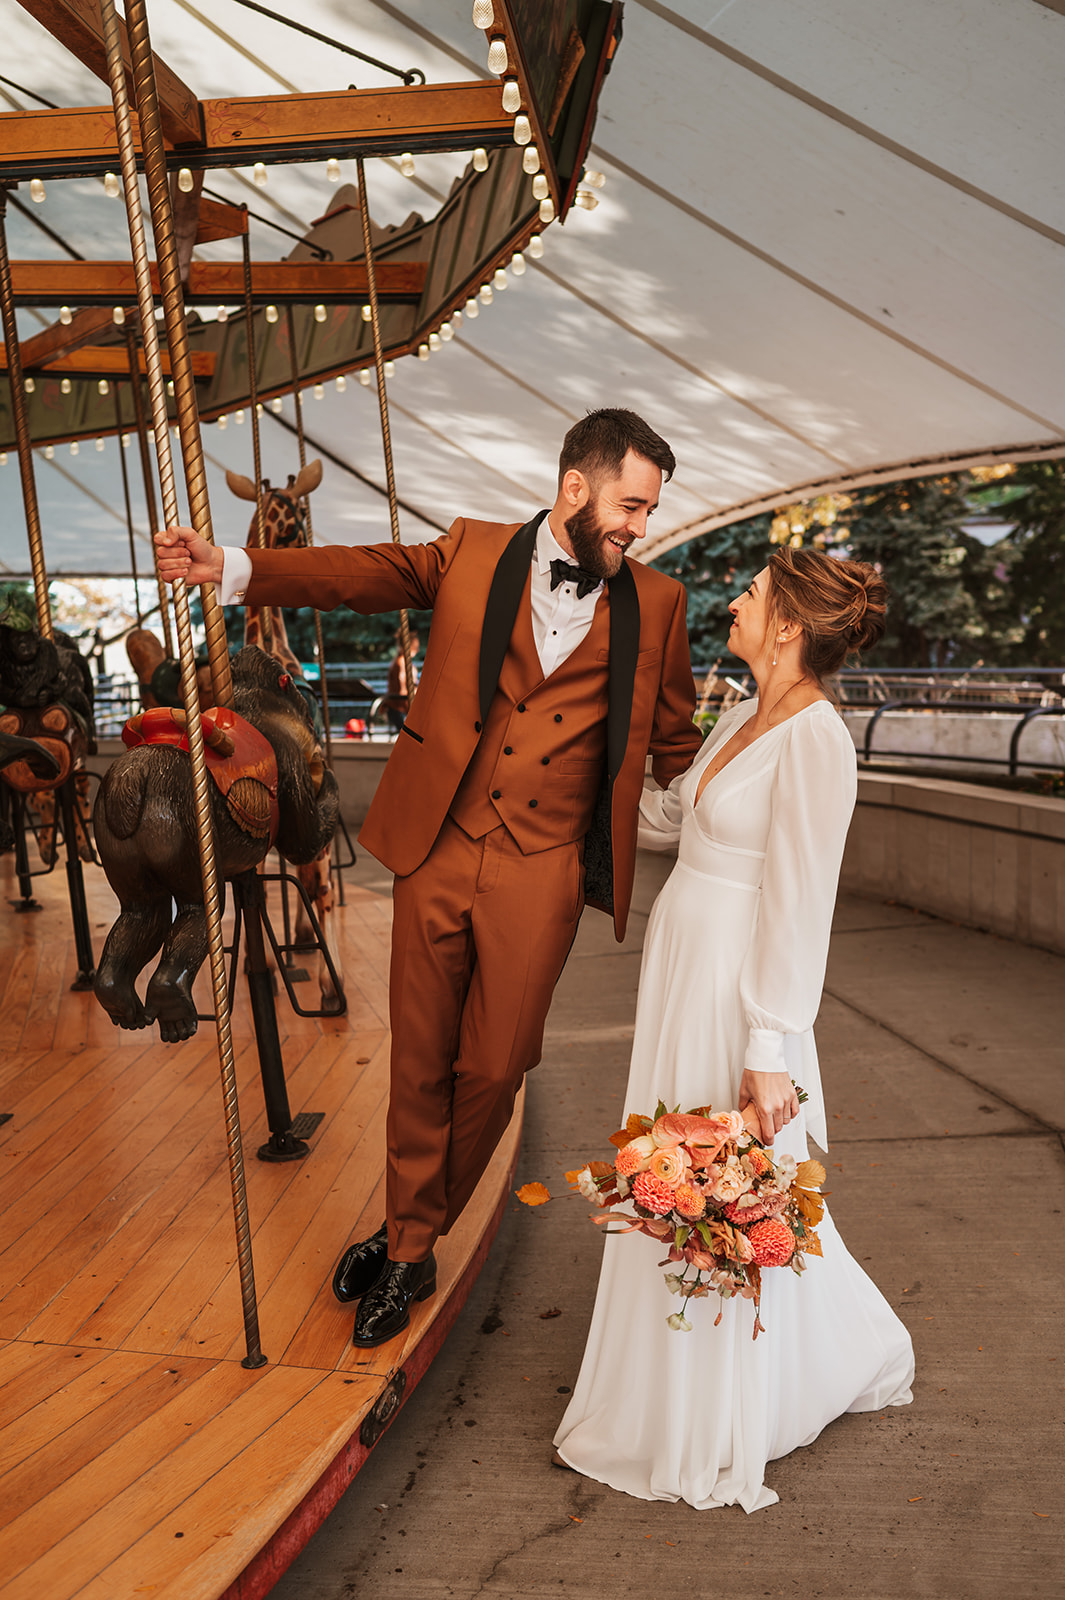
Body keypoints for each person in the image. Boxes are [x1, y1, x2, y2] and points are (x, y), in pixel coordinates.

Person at [155, 408, 704, 1349]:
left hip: (545, 866)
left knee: (493, 1065)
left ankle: (410, 1228)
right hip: (441, 844)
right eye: (630, 505)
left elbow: (677, 743)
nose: (638, 528)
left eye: (648, 513)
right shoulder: (471, 552)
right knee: (418, 1057)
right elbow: (358, 573)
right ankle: (410, 1245)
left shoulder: (658, 602)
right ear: (574, 486)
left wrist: (784, 743)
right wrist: (232, 567)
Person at [553, 546, 915, 1511]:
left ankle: (720, 1404)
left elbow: (799, 904)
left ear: (789, 627)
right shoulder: (739, 714)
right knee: (679, 1166)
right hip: (683, 972)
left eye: (752, 595)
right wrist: (593, 765)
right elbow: (679, 818)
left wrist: (768, 1047)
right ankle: (669, 1386)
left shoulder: (816, 739)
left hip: (738, 988)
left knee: (724, 1180)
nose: (735, 603)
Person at [384, 628, 419, 734]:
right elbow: (402, 686)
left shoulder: (400, 662)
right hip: (399, 705)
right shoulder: (401, 663)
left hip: (400, 704)